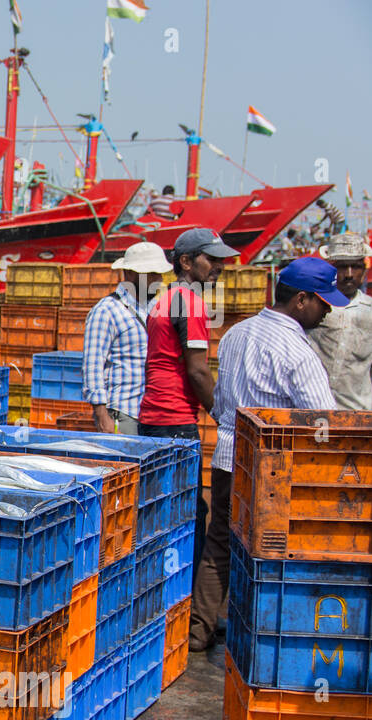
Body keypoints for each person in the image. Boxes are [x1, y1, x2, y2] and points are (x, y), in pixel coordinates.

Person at [189, 258, 343, 653]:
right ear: (302, 300)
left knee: (220, 543)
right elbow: (323, 424)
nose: (326, 311)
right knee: (270, 551)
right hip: (273, 469)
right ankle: (258, 640)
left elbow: (221, 400)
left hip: (227, 456)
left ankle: (198, 632)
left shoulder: (237, 333)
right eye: (323, 302)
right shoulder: (298, 351)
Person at [138, 227, 236, 573]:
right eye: (211, 259)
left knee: (156, 512)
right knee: (189, 514)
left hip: (151, 417)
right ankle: (183, 599)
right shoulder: (190, 304)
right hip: (176, 420)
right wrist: (222, 416)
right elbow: (198, 371)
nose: (218, 267)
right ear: (185, 262)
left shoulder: (162, 300)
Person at [82, 242, 171, 434]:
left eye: (159, 274)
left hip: (150, 411)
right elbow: (92, 365)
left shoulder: (154, 307)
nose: (158, 280)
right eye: (152, 274)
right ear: (130, 274)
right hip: (123, 412)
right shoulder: (107, 310)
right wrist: (101, 415)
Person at [308, 232, 372, 410]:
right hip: (312, 410)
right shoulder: (312, 305)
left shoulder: (370, 310)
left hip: (357, 413)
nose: (349, 274)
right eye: (342, 267)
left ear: (364, 270)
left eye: (355, 267)